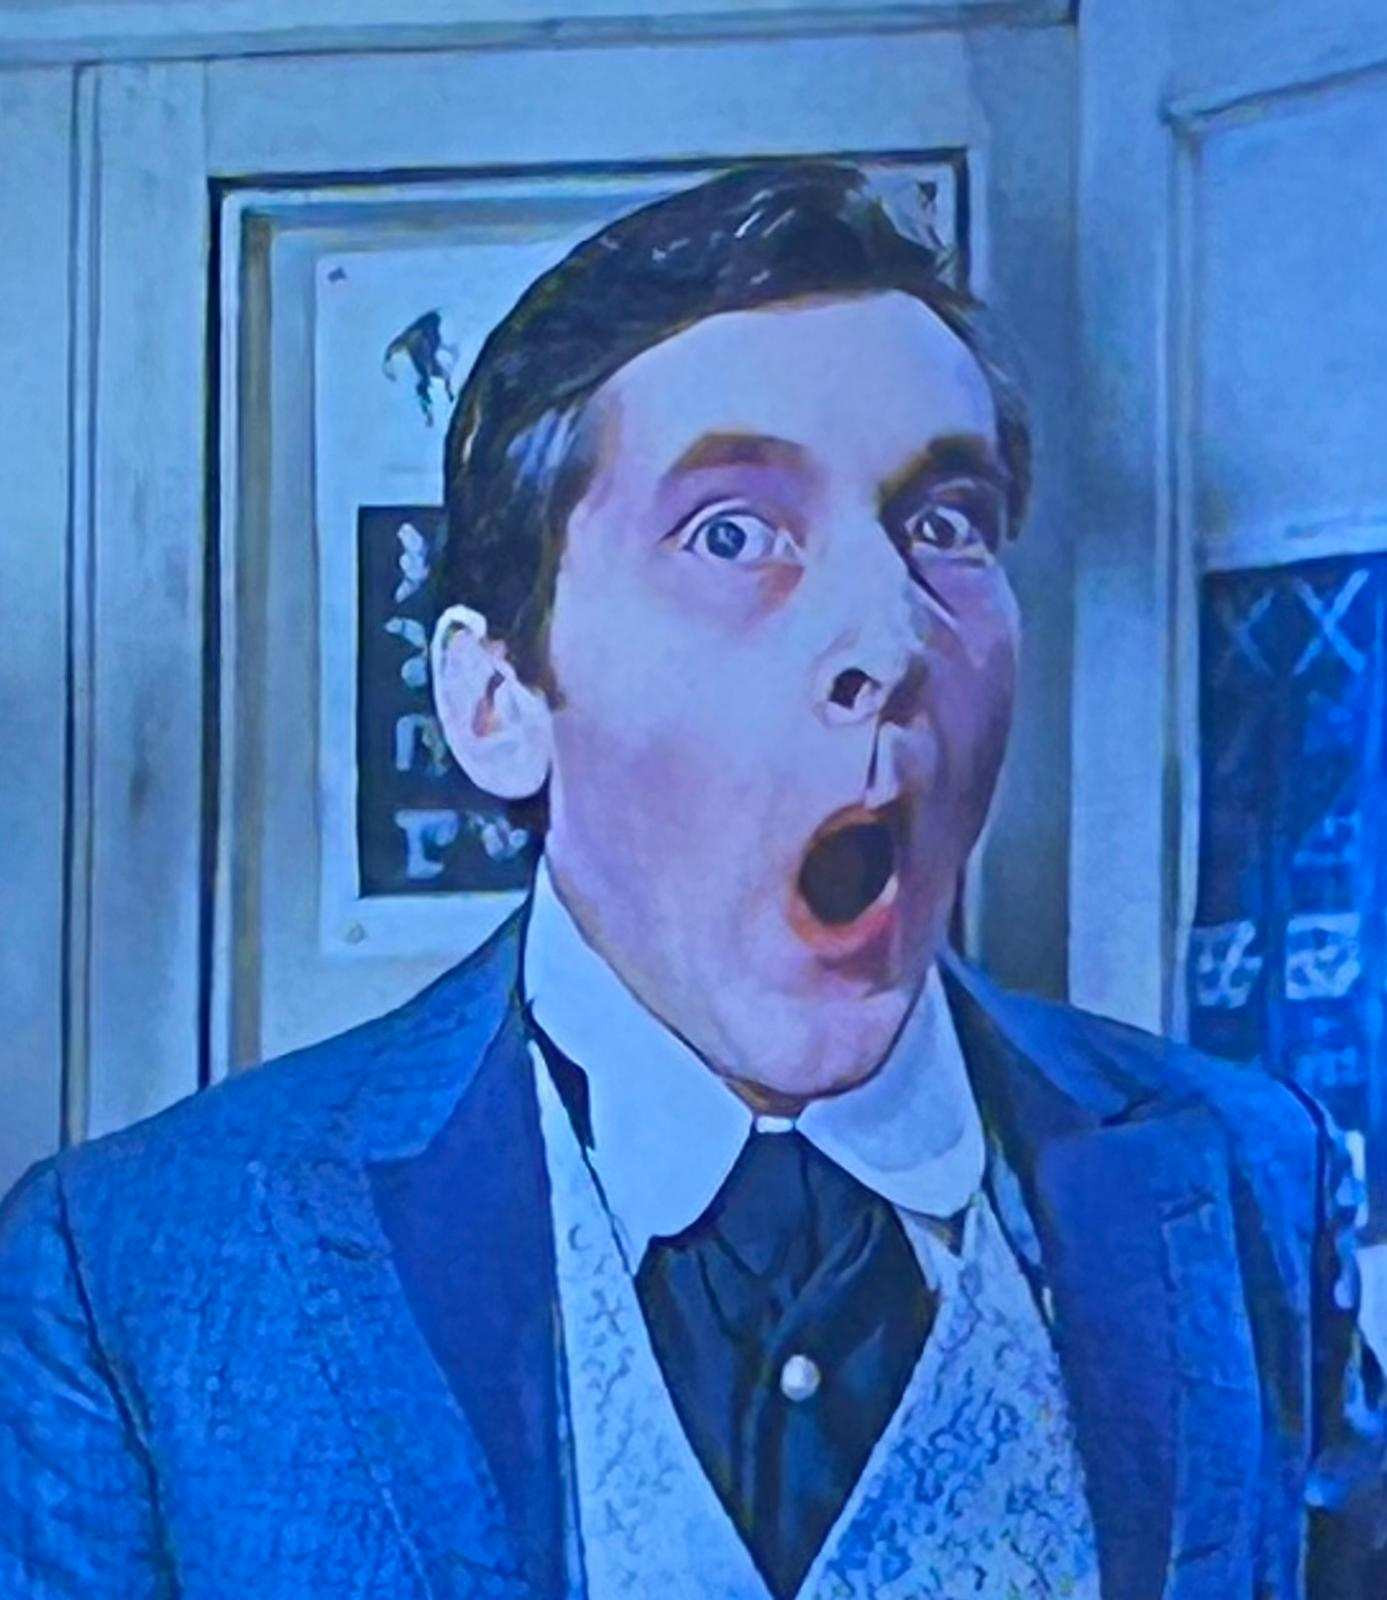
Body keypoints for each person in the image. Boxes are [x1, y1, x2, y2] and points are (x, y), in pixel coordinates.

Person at [0, 163, 1382, 1599]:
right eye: (732, 532)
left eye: (944, 524)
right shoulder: (134, 1273)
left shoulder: (1243, 1179)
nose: (890, 638)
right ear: (497, 701)